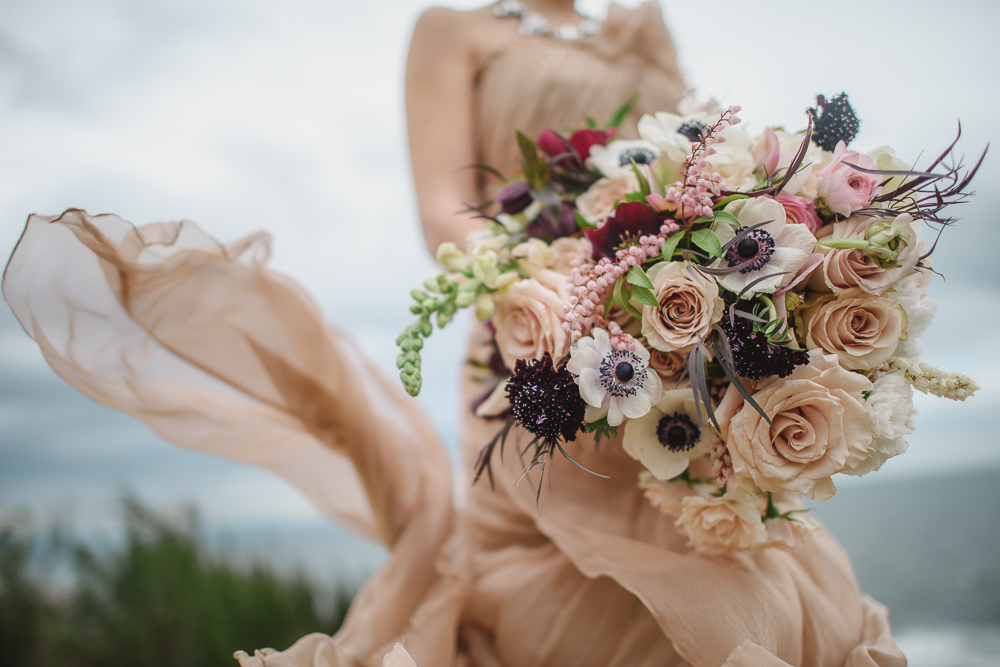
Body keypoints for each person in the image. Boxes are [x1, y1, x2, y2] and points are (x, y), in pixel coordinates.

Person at [3, 2, 906, 665]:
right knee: (574, 599)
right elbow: (441, 206)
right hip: (535, 344)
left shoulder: (645, 27)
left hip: (682, 353)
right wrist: (552, 282)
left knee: (741, 568)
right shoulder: (453, 28)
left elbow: (689, 169)